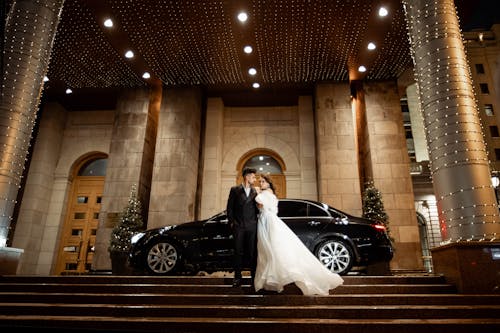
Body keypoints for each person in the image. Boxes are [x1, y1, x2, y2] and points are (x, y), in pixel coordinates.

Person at [254, 174, 344, 296]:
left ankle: (277, 276)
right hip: (269, 221)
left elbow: (259, 202)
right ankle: (276, 275)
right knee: (273, 249)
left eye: (263, 181)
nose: (261, 184)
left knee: (272, 249)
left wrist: (257, 192)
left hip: (268, 222)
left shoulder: (265, 194)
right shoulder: (272, 194)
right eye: (260, 182)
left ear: (269, 183)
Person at [226, 167, 259, 287]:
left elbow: (257, 209)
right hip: (238, 226)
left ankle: (253, 277)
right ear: (246, 176)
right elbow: (229, 208)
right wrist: (232, 222)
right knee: (238, 252)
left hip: (252, 226)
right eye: (253, 176)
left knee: (252, 252)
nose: (255, 179)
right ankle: (237, 277)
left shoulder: (255, 191)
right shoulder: (235, 190)